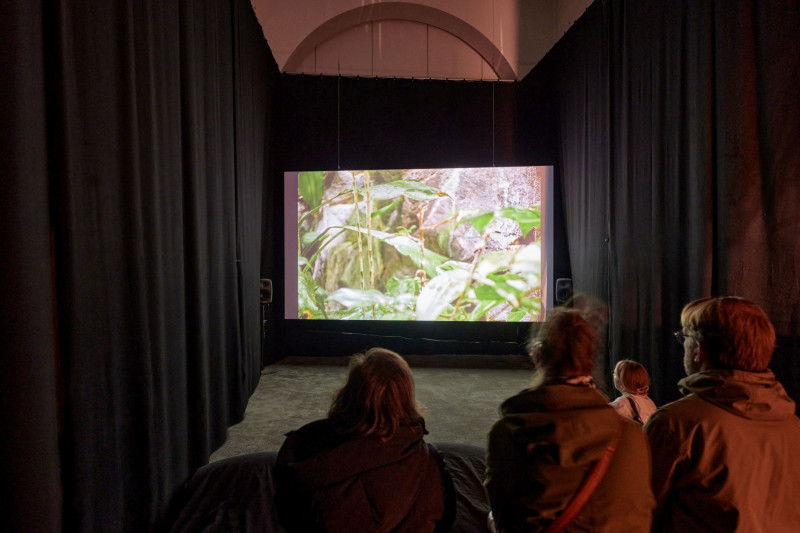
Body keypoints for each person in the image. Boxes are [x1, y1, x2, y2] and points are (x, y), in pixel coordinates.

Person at [485, 308, 654, 532]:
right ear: (591, 360)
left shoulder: (509, 433)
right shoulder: (633, 435)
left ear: (537, 355)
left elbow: (505, 517)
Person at [645, 296, 800, 532]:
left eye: (684, 338)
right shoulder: (793, 425)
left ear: (698, 349)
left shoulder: (675, 425)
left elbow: (638, 512)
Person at [273, 347, 454, 533]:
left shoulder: (302, 446)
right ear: (405, 398)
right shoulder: (431, 463)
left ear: (348, 394)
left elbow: (286, 512)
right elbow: (444, 521)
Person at [609, 359, 657, 424]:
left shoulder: (623, 403)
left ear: (622, 381)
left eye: (615, 374)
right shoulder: (649, 401)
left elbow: (602, 416)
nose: (613, 376)